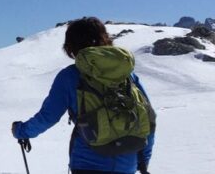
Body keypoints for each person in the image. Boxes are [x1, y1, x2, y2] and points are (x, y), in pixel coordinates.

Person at [11, 17, 155, 174]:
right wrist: (142, 161)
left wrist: (22, 131)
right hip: (127, 164)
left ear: (71, 46)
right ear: (104, 39)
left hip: (88, 164)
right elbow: (148, 119)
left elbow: (48, 117)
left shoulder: (70, 76)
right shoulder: (127, 75)